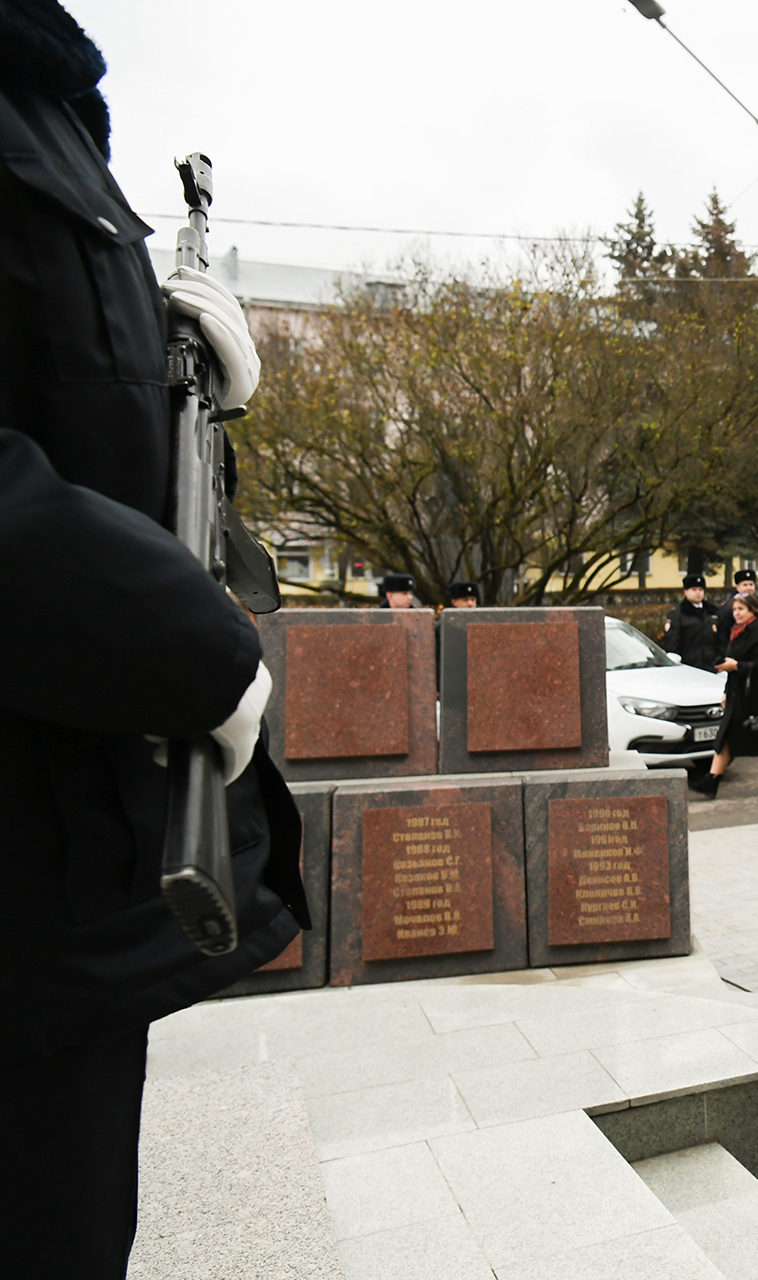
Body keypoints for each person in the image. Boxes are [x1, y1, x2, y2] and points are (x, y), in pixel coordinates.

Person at [0, 8, 307, 1272]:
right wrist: (189, 645)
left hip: (52, 890)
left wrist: (174, 367)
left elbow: (87, 449)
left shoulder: (42, 93)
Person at [689, 594, 758, 798]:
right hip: (737, 690)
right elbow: (732, 661)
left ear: (752, 611)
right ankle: (712, 779)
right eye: (734, 610)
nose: (736, 614)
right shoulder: (737, 631)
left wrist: (737, 666)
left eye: (741, 609)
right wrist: (727, 690)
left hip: (757, 693)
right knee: (726, 735)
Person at [660, 572, 726, 671]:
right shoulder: (677, 615)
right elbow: (672, 644)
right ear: (686, 592)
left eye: (700, 589)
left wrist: (720, 659)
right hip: (689, 667)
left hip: (711, 666)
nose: (698, 593)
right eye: (694, 590)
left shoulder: (713, 612)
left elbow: (722, 639)